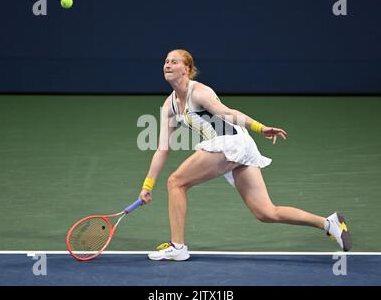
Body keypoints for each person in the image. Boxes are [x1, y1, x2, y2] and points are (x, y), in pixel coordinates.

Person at [138, 49, 352, 261]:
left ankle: (178, 247)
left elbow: (229, 113)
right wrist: (147, 186)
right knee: (266, 213)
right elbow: (162, 149)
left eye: (174, 62)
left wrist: (260, 128)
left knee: (176, 182)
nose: (167, 65)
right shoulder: (170, 105)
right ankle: (328, 223)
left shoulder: (200, 92)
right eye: (166, 61)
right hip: (235, 147)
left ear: (186, 69)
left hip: (230, 142)